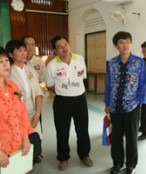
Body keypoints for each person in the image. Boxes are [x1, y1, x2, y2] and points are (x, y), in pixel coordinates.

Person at [45, 35, 93, 171]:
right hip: (62, 102)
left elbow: (82, 77)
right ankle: (63, 157)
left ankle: (84, 155)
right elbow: (49, 85)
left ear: (69, 44)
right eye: (60, 47)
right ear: (55, 50)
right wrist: (63, 92)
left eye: (65, 44)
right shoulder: (52, 65)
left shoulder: (80, 59)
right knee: (62, 131)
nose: (64, 48)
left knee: (83, 129)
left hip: (80, 99)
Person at [104, 31, 146, 174]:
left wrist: (140, 102)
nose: (125, 45)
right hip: (115, 106)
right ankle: (117, 163)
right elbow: (109, 84)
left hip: (133, 106)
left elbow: (142, 83)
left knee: (131, 137)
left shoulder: (139, 62)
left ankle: (131, 165)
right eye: (121, 42)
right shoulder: (111, 63)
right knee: (116, 137)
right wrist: (108, 103)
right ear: (116, 46)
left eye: (128, 41)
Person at [5, 40, 44, 163]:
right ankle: (24, 162)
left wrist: (38, 113)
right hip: (17, 114)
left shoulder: (30, 69)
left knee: (35, 137)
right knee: (20, 140)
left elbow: (38, 92)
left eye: (24, 50)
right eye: (19, 50)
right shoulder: (8, 72)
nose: (24, 53)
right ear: (11, 55)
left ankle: (35, 155)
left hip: (34, 110)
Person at [0, 46, 33, 168]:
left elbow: (22, 114)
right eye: (0, 62)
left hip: (19, 145)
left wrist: (26, 139)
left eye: (6, 60)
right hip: (2, 151)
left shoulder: (14, 87)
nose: (5, 64)